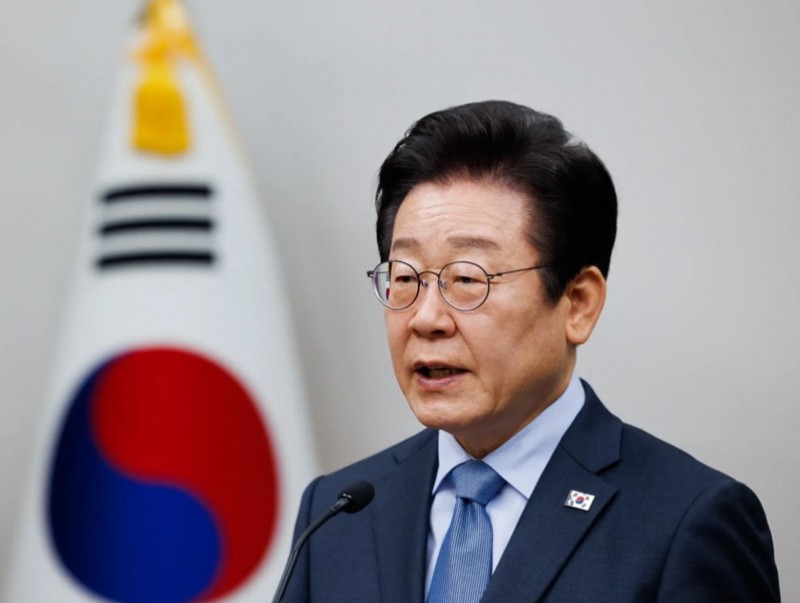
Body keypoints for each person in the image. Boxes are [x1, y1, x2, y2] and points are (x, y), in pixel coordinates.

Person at [283, 100, 780, 602]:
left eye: (467, 279)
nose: (426, 318)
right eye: (406, 278)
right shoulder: (337, 512)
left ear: (578, 304)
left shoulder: (686, 522)